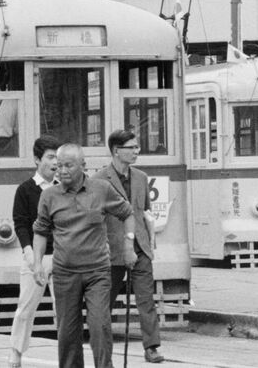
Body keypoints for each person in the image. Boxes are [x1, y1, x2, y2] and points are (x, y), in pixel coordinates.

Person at [32, 144, 136, 368]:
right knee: (68, 334)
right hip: (64, 273)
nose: (62, 170)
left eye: (68, 165)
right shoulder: (49, 196)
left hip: (97, 272)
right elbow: (40, 231)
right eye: (58, 166)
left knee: (100, 326)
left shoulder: (101, 189)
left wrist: (128, 245)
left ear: (83, 166)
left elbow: (127, 213)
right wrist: (37, 263)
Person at [92, 130, 164, 364]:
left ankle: (152, 347)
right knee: (104, 302)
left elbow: (144, 211)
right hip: (111, 250)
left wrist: (149, 239)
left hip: (141, 247)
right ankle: (102, 349)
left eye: (137, 147)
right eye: (131, 147)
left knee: (146, 298)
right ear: (116, 151)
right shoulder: (99, 179)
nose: (136, 151)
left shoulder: (141, 177)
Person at [7, 134, 60, 368]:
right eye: (50, 157)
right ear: (37, 160)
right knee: (26, 307)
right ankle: (16, 353)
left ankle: (66, 356)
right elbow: (20, 223)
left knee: (65, 310)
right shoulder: (25, 190)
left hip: (61, 257)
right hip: (34, 257)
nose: (55, 162)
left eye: (57, 158)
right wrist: (29, 252)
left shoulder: (63, 189)